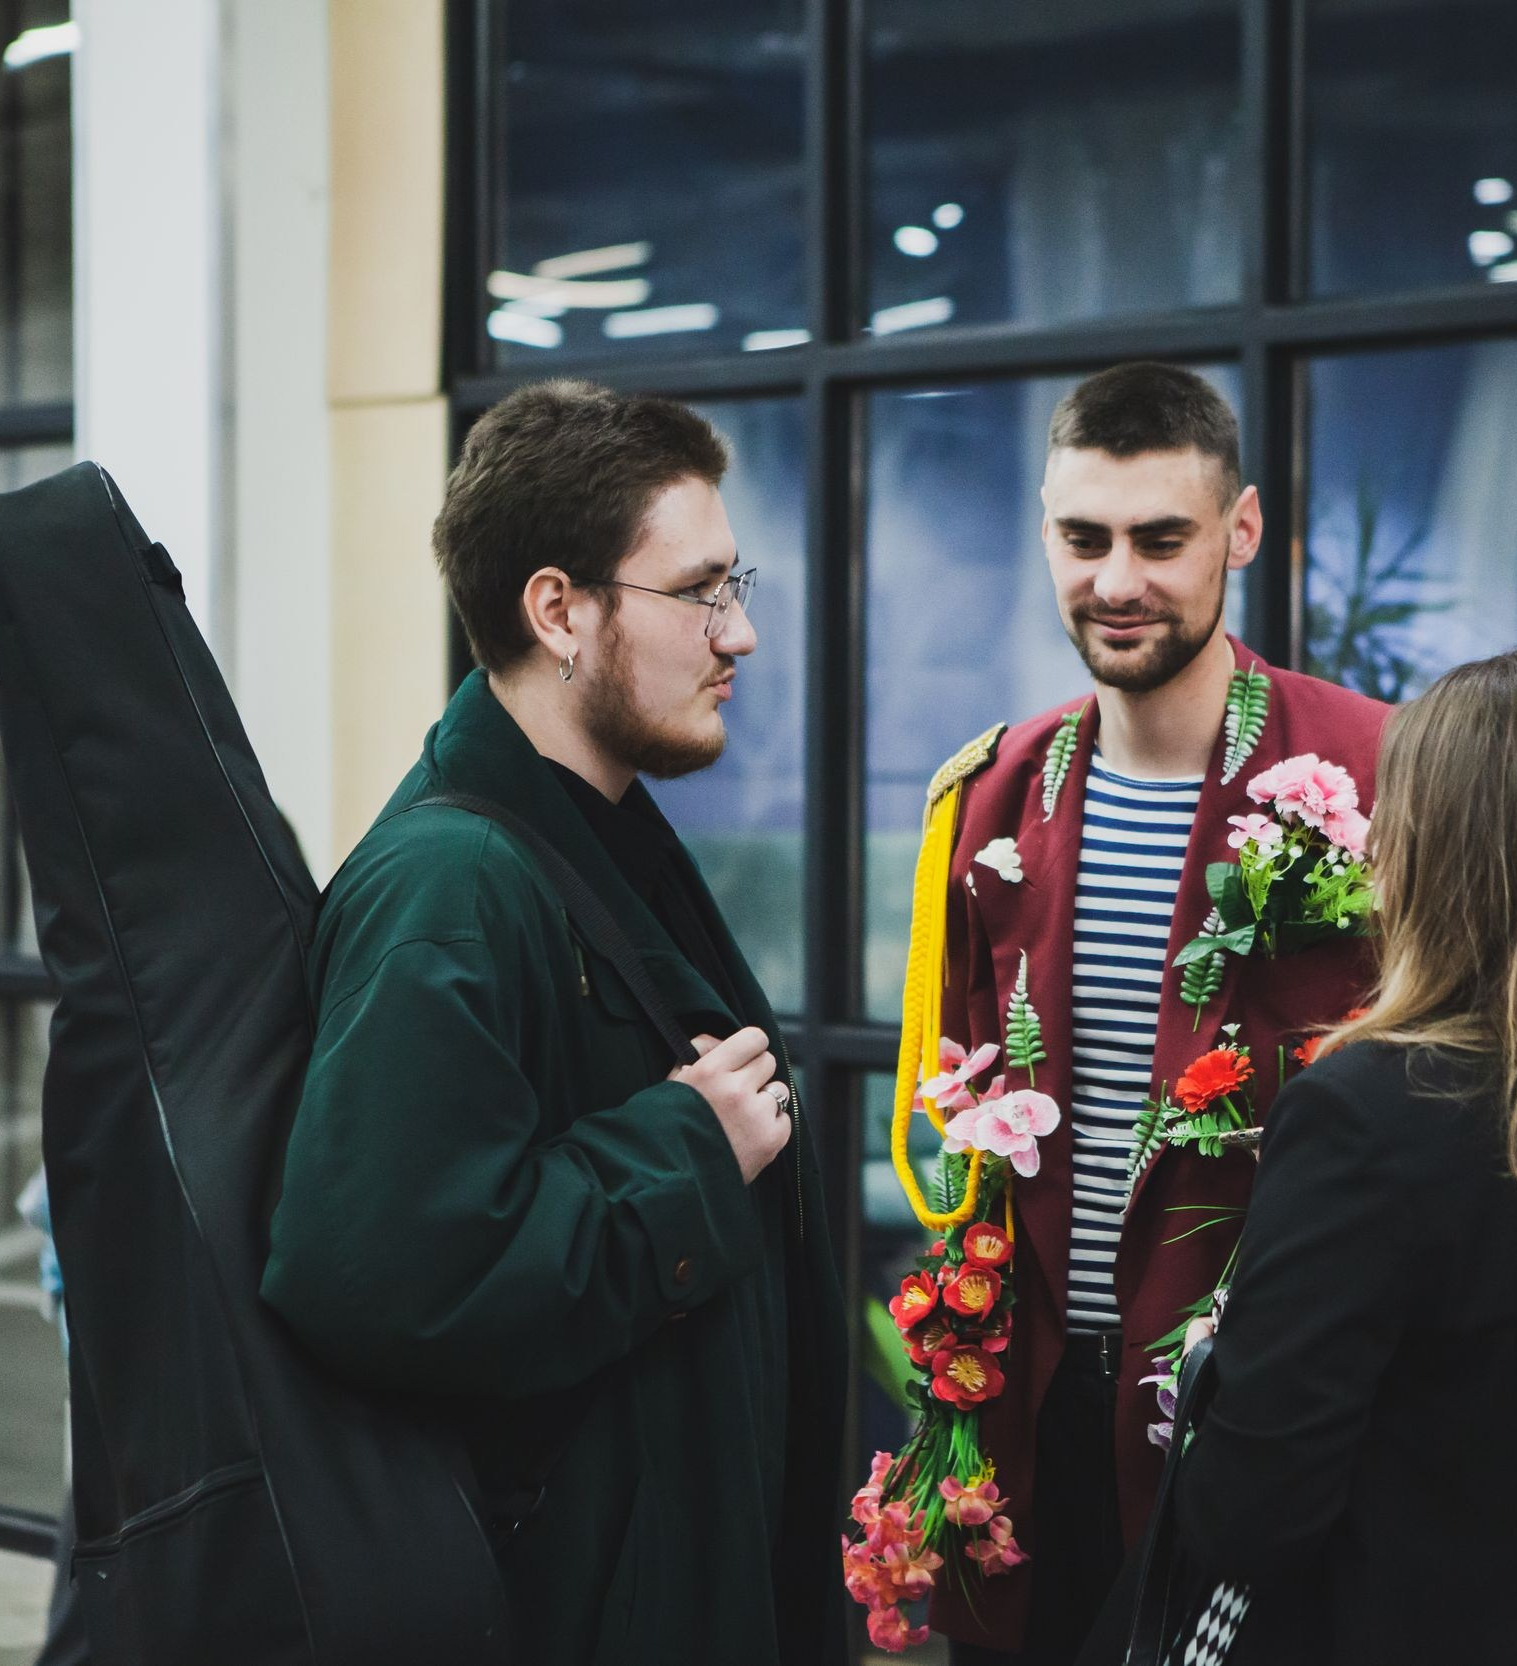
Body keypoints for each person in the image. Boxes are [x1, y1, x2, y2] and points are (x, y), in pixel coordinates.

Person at [259, 380, 847, 1666]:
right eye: (699, 591)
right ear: (559, 609)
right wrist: (686, 1153)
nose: (738, 632)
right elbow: (378, 1278)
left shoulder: (598, 842)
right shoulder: (453, 884)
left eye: (733, 584)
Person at [1145, 648, 1517, 1664]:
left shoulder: (1365, 1115)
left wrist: (1229, 1355)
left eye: (1399, 811)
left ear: (1440, 852)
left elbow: (1249, 1516)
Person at [914, 363, 1390, 1662]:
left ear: (1240, 531)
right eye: (1084, 538)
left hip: (1278, 1401)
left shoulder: (1373, 769)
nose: (1116, 580)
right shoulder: (997, 791)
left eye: (1160, 539)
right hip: (1041, 1399)